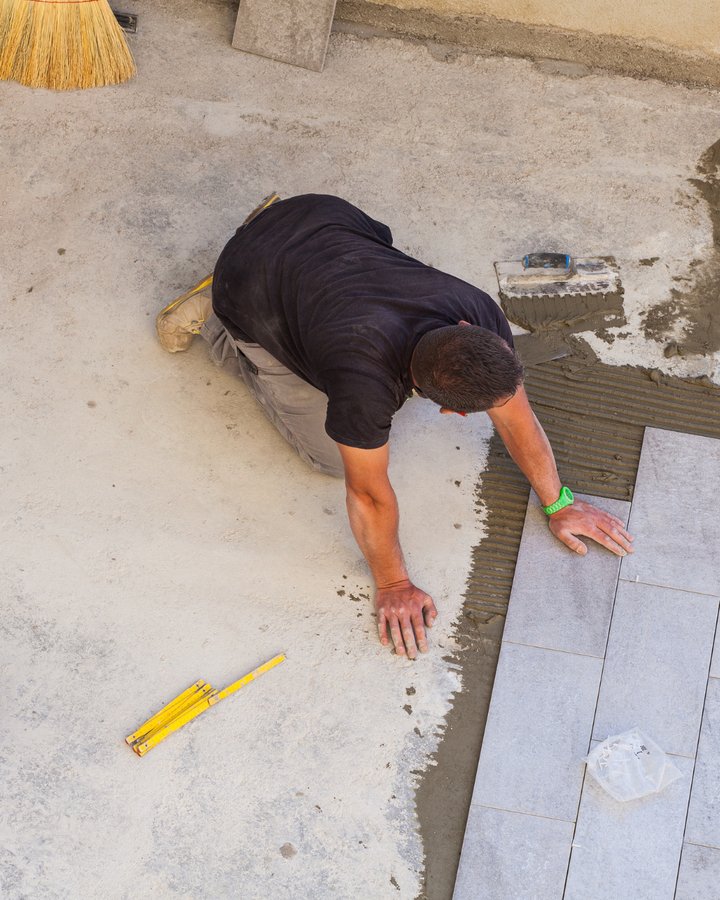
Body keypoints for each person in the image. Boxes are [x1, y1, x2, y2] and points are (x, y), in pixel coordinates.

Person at [157, 193, 634, 659]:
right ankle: (214, 317)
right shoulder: (363, 385)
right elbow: (368, 495)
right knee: (329, 458)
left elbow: (518, 421)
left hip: (316, 214)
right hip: (247, 280)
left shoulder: (480, 314)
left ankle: (269, 239)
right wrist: (393, 584)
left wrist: (559, 503)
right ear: (448, 410)